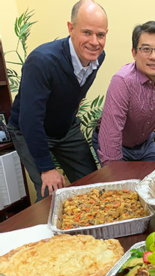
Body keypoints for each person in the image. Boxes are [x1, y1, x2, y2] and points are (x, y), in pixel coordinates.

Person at [6, 0, 107, 202]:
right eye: (87, 32)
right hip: (29, 129)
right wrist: (46, 167)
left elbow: (77, 87)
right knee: (49, 194)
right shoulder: (42, 61)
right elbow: (30, 120)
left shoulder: (98, 57)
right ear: (71, 28)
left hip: (66, 129)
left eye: (101, 35)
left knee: (92, 186)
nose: (95, 42)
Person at [93, 21, 155, 165]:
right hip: (115, 145)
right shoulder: (122, 81)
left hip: (145, 144)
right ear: (134, 53)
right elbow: (111, 132)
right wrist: (113, 169)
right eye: (146, 49)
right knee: (122, 184)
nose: (154, 56)